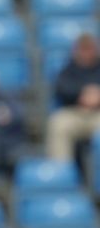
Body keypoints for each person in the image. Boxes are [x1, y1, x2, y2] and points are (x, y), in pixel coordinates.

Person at [45, 33, 100, 162]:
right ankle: (62, 173)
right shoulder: (68, 69)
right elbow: (61, 89)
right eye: (83, 49)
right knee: (58, 123)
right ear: (76, 50)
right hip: (74, 113)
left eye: (89, 48)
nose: (86, 53)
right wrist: (82, 94)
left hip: (98, 114)